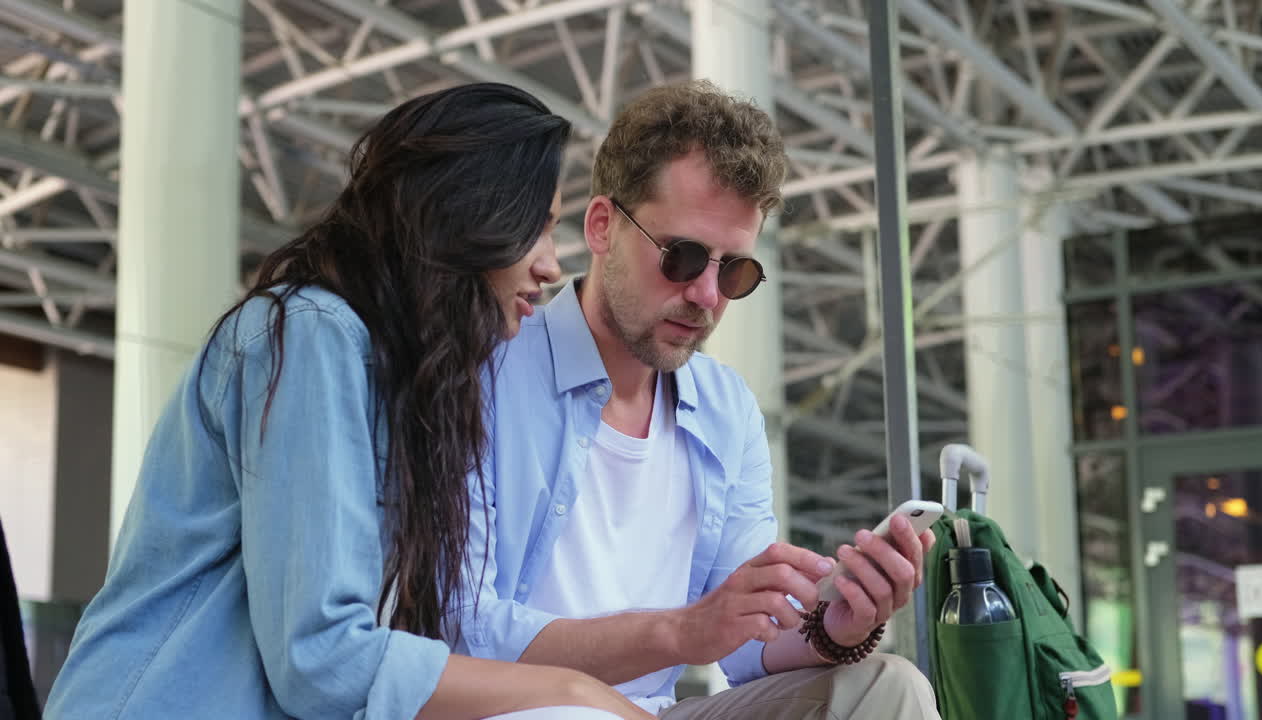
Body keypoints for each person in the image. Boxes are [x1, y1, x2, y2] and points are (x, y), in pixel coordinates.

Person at [45, 83, 652, 720]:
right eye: (538, 227)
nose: (552, 266)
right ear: (469, 215)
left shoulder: (395, 371)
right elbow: (322, 659)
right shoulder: (312, 334)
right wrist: (573, 690)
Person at [451, 80, 942, 719]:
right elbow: (465, 635)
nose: (708, 296)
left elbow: (746, 647)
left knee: (889, 686)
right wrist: (683, 631)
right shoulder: (485, 371)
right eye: (682, 257)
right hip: (516, 711)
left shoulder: (724, 408)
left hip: (655, 712)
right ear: (602, 227)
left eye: (735, 270)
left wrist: (837, 627)